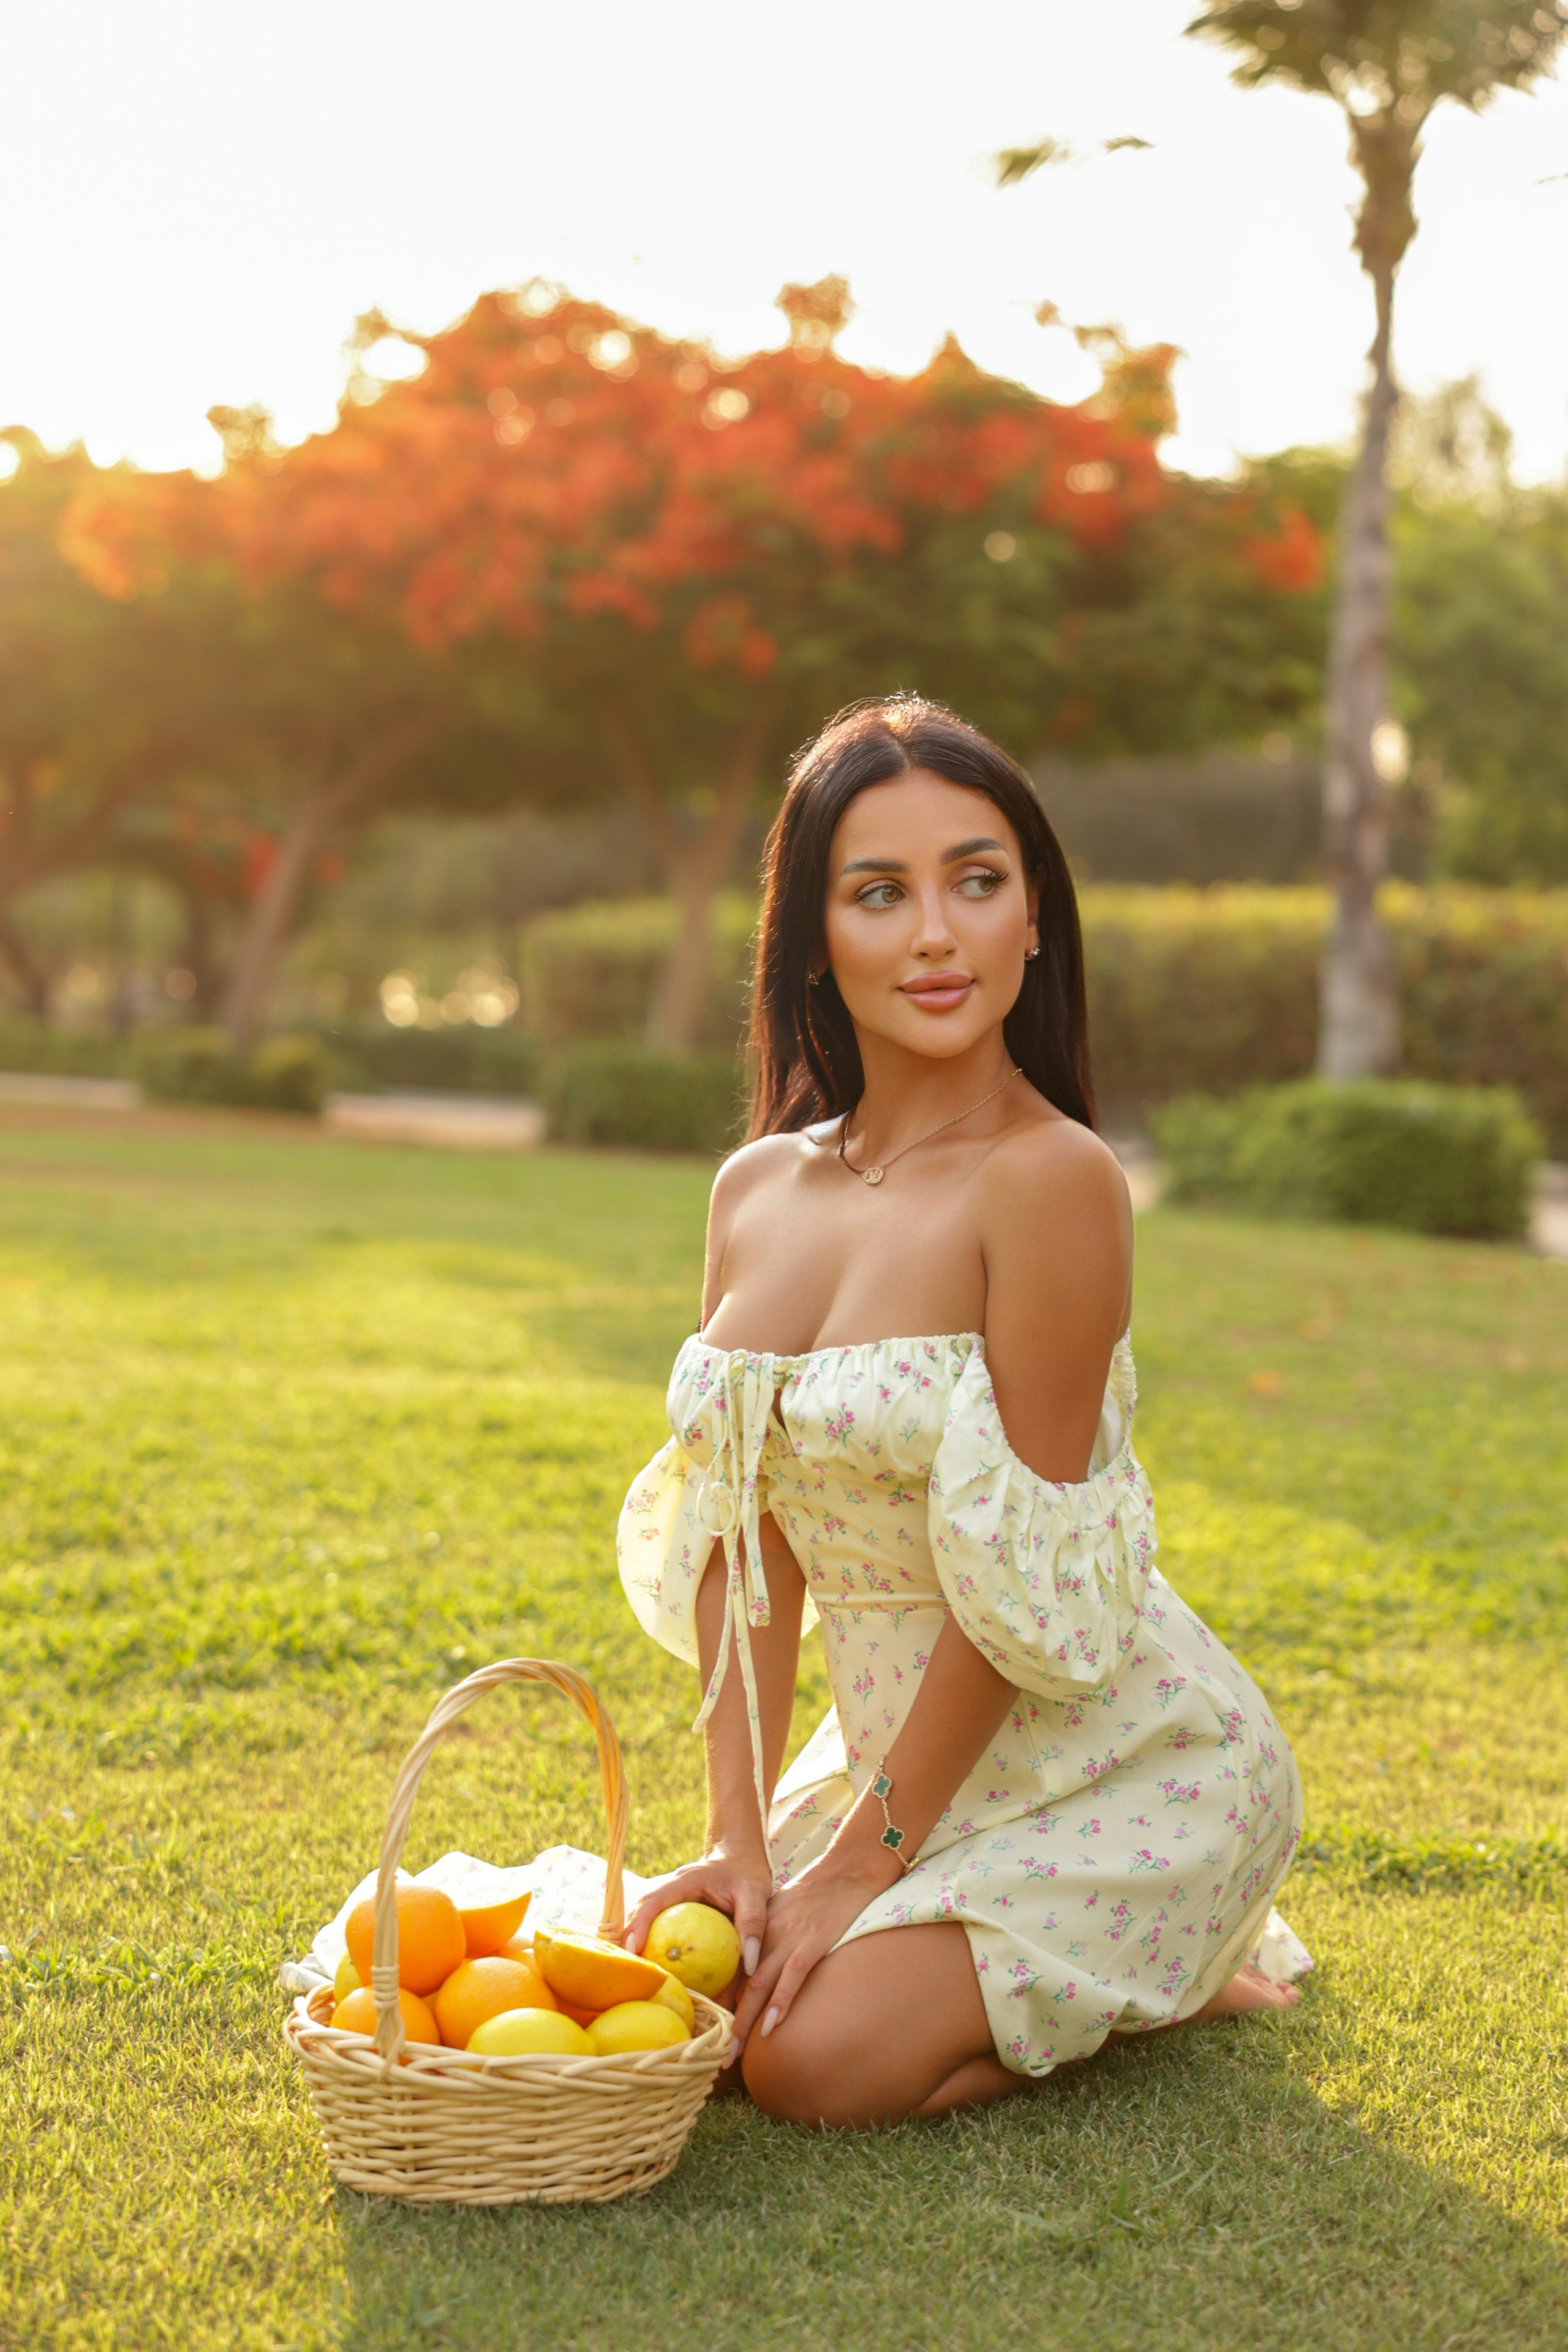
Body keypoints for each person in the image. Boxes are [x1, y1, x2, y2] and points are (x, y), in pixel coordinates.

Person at [616, 696, 1307, 2128]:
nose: (934, 933)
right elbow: (751, 1558)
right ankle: (1063, 1958)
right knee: (698, 1990)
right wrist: (740, 1847)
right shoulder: (754, 1191)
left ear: (1033, 918)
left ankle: (1160, 1965)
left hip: (1115, 1761)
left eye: (974, 881)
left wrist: (859, 1868)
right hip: (895, 1760)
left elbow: (1019, 1588)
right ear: (813, 938)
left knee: (799, 2066)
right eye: (879, 893)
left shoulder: (1050, 1183)